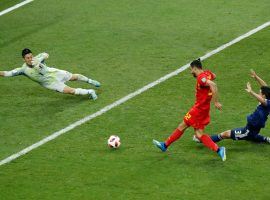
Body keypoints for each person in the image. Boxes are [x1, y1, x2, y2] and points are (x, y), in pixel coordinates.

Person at [153, 58, 226, 161]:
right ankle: (219, 150)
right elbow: (214, 76)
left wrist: (216, 101)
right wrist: (207, 79)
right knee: (199, 134)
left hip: (198, 110)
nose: (191, 72)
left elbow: (213, 85)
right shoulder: (207, 73)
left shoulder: (201, 78)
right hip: (204, 110)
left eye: (191, 69)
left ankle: (165, 145)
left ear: (195, 68)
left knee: (182, 126)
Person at [198, 70, 270, 144]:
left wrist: (251, 91)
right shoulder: (268, 97)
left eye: (260, 92)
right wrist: (256, 77)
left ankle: (202, 140)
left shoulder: (267, 102)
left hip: (248, 130)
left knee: (225, 134)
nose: (259, 93)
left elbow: (262, 100)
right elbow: (265, 86)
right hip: (252, 128)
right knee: (252, 136)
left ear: (264, 95)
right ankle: (265, 139)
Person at [0, 48, 100, 100]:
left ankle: (91, 81)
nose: (30, 59)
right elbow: (6, 73)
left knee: (73, 77)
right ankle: (90, 91)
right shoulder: (22, 70)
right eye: (28, 58)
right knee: (70, 91)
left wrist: (39, 59)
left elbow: (46, 54)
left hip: (54, 73)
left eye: (31, 56)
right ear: (24, 59)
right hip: (51, 83)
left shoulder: (37, 58)